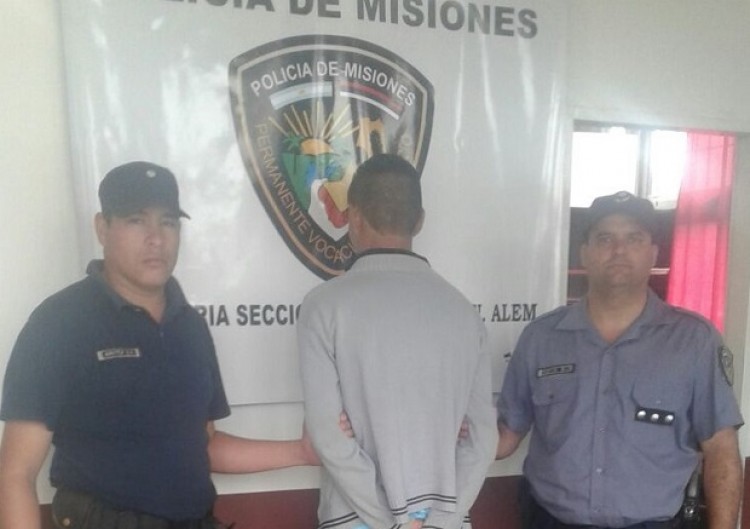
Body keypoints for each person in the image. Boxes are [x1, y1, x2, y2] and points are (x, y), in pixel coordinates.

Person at [0, 161, 322, 529]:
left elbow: (202, 445)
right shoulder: (60, 322)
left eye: (168, 222)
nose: (156, 238)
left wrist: (301, 452)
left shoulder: (190, 327)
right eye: (136, 220)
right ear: (102, 228)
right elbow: (16, 474)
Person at [496, 191, 743, 529]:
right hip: (551, 521)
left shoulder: (694, 341)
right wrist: (446, 435)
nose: (619, 250)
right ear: (585, 253)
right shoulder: (541, 337)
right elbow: (507, 434)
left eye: (634, 238)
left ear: (653, 253)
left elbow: (721, 451)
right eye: (605, 238)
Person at [297, 153, 498, 529]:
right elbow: (483, 440)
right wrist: (442, 518)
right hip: (443, 521)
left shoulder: (323, 307)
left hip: (357, 519)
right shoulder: (463, 312)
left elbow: (329, 437)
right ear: (419, 220)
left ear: (354, 218)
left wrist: (392, 522)